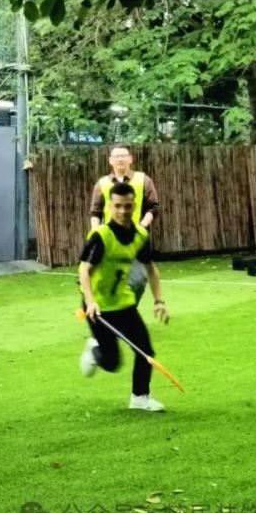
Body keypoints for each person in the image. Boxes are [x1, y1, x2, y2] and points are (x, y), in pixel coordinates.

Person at [78, 181, 170, 412]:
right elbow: (84, 271)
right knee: (111, 363)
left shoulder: (140, 235)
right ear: (110, 206)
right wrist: (90, 301)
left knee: (145, 351)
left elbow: (150, 269)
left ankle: (140, 397)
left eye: (127, 206)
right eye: (117, 206)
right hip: (98, 307)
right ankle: (95, 349)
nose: (122, 211)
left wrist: (159, 300)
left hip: (124, 303)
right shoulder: (101, 236)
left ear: (134, 206)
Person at [89, 145, 160, 303]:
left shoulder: (143, 180)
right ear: (110, 160)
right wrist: (96, 235)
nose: (120, 159)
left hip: (135, 240)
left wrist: (142, 226)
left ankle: (128, 307)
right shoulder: (102, 184)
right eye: (117, 156)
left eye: (123, 155)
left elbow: (153, 207)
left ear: (130, 159)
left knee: (138, 281)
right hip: (110, 241)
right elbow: (95, 212)